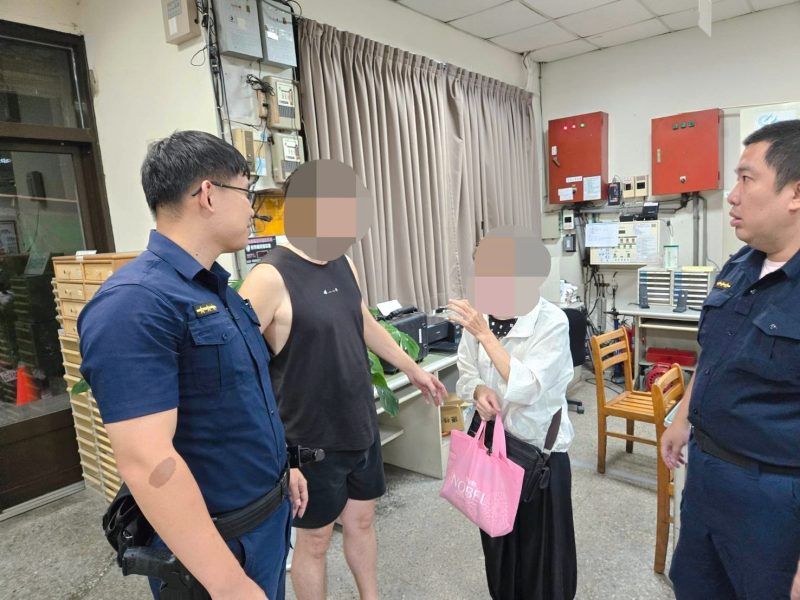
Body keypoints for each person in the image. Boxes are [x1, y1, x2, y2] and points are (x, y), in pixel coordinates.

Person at [78, 130, 307, 600]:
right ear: (208, 194)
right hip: (213, 551)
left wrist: (283, 469)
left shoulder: (216, 290)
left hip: (265, 520)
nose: (253, 210)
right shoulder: (135, 303)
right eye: (246, 193)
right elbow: (147, 461)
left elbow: (240, 402)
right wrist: (228, 583)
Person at [239, 159, 447, 600]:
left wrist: (413, 368)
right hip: (310, 437)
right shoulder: (268, 277)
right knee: (314, 541)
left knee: (362, 521)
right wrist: (276, 451)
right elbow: (241, 369)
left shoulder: (342, 263)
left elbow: (363, 321)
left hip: (358, 421)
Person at [661, 119, 800, 600]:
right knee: (695, 585)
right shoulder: (740, 264)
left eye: (746, 178)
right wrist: (683, 416)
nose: (732, 196)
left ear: (795, 193)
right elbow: (714, 353)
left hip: (774, 495)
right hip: (707, 473)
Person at [448, 226, 577, 600]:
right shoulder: (482, 317)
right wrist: (478, 390)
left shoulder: (551, 322)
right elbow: (465, 371)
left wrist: (485, 335)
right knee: (499, 545)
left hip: (538, 455)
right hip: (494, 450)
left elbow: (529, 386)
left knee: (542, 557)